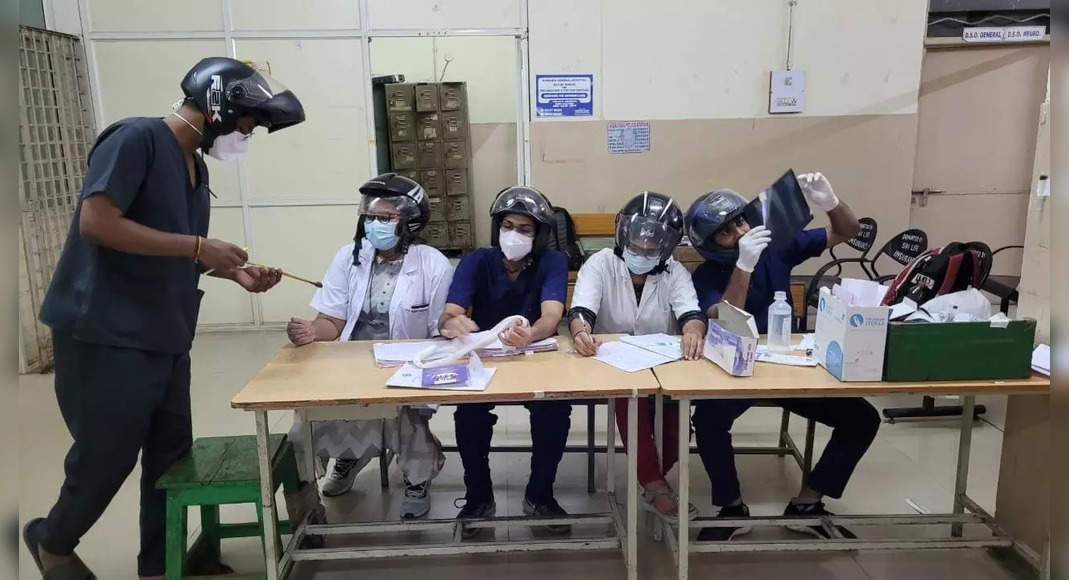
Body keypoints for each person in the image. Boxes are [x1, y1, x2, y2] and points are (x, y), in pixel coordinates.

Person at [24, 57, 304, 580]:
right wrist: (200, 245)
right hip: (106, 332)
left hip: (164, 331)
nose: (248, 134)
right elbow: (98, 222)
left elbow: (171, 246)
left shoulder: (193, 166)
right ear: (220, 106)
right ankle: (52, 540)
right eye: (248, 123)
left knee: (170, 459)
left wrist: (231, 272)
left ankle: (161, 564)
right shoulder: (136, 140)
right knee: (106, 456)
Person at [684, 172, 880, 542]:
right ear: (710, 244)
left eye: (740, 221)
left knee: (863, 419)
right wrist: (743, 266)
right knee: (708, 420)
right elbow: (726, 317)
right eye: (726, 232)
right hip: (735, 368)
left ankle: (808, 503)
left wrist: (830, 201)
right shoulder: (706, 274)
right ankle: (732, 507)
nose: (740, 232)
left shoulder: (776, 247)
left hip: (785, 364)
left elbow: (848, 231)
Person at [285, 173, 451, 520]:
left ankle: (416, 478)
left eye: (386, 218)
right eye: (371, 217)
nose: (376, 225)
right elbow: (332, 321)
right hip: (351, 360)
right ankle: (347, 457)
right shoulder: (349, 257)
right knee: (306, 418)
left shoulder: (432, 263)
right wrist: (311, 331)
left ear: (411, 220)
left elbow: (440, 329)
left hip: (407, 363)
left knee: (404, 414)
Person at [438, 186, 570, 536]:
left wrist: (533, 333)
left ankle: (540, 495)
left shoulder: (553, 262)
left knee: (555, 410)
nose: (514, 234)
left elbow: (551, 315)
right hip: (485, 359)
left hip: (532, 357)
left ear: (540, 235)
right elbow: (450, 313)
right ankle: (478, 497)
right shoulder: (475, 260)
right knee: (469, 413)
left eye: (525, 229)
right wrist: (452, 323)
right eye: (508, 225)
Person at [568, 192, 705, 524]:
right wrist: (581, 331)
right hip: (614, 365)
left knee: (674, 433)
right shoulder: (600, 263)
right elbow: (580, 310)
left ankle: (652, 476)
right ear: (623, 233)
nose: (642, 249)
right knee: (634, 406)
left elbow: (691, 313)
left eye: (651, 245)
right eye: (637, 240)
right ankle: (656, 487)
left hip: (663, 367)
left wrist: (694, 331)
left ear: (666, 245)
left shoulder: (675, 273)